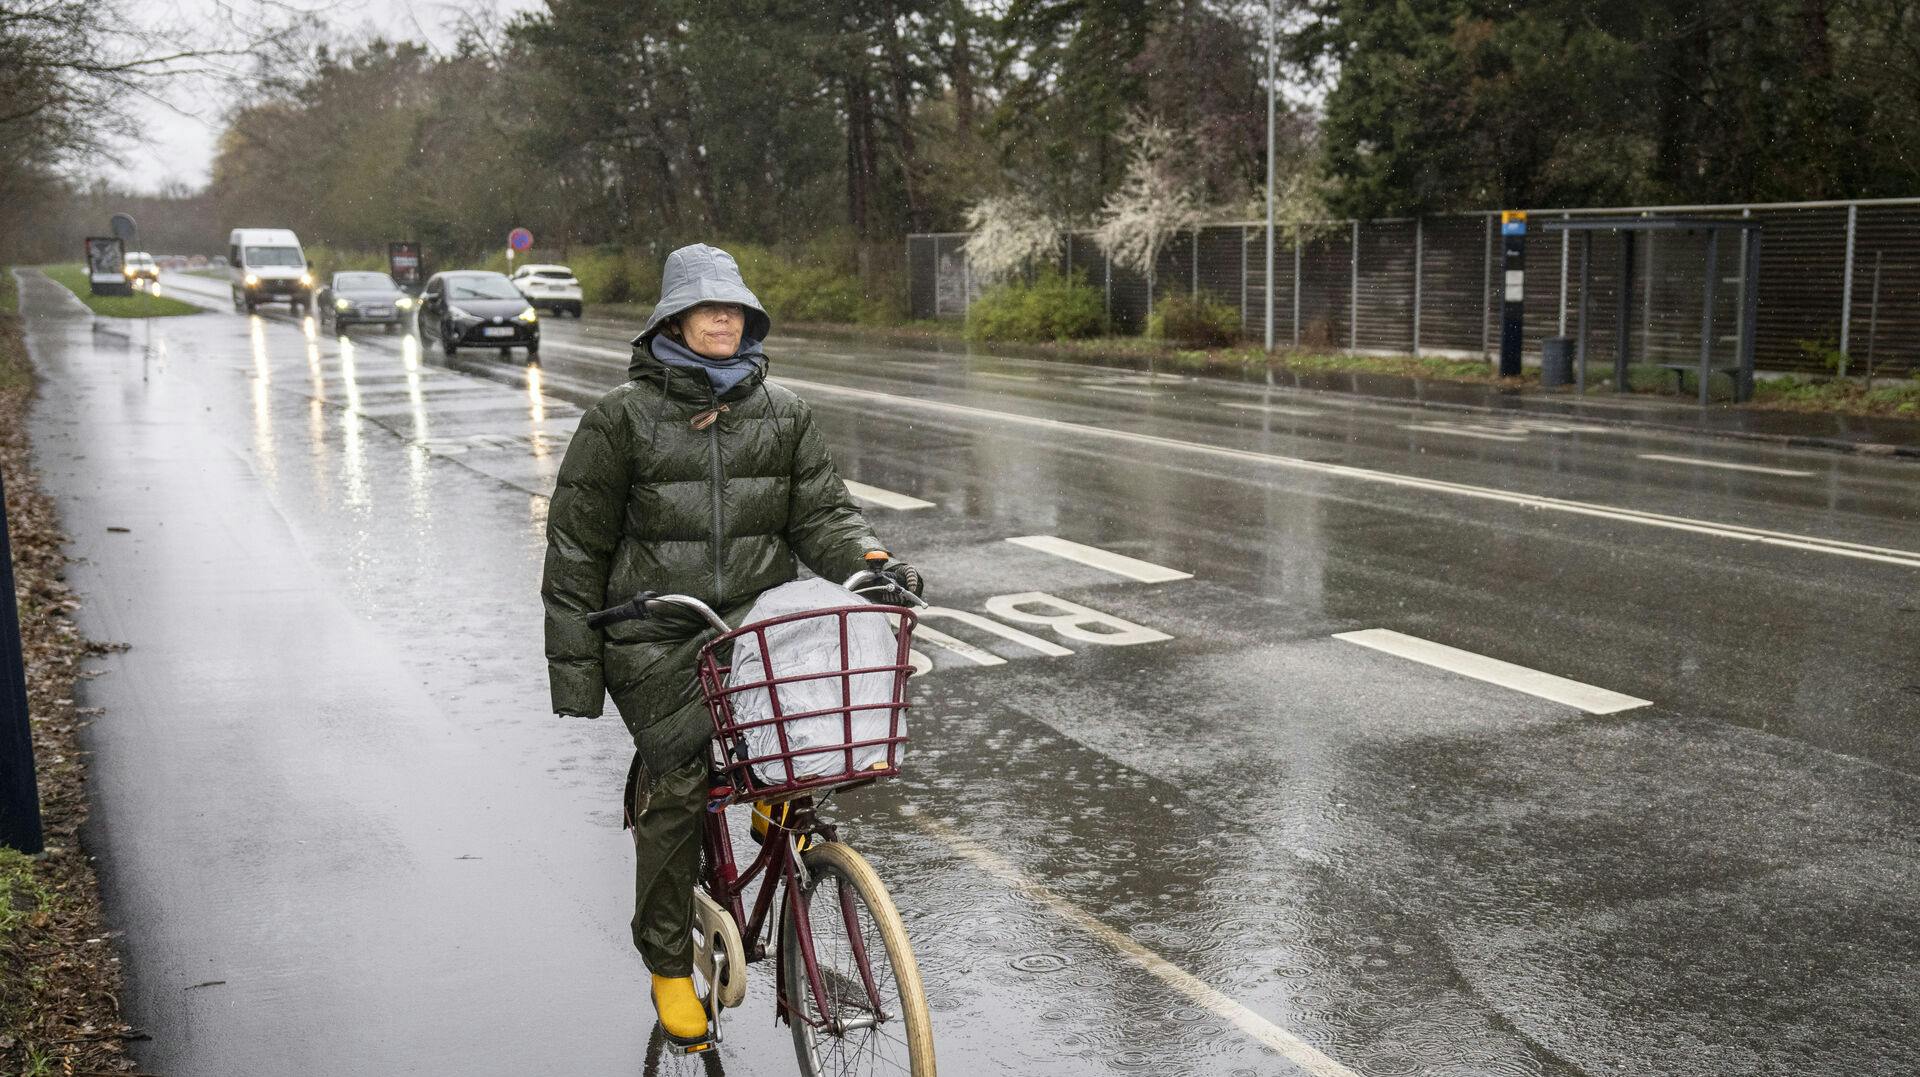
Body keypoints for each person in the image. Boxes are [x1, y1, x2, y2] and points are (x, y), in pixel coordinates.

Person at [540, 243, 921, 1046]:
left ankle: (775, 812)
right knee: (681, 779)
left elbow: (822, 514)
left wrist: (872, 563)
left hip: (749, 624)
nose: (724, 317)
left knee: (817, 725)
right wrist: (579, 677)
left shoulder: (782, 411)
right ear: (673, 317)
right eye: (708, 306)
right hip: (655, 631)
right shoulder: (621, 419)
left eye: (736, 306)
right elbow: (576, 550)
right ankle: (668, 961)